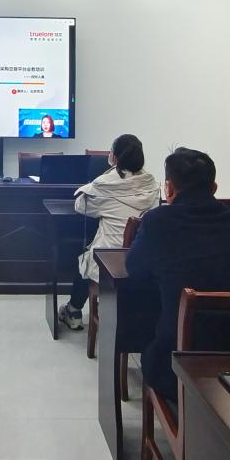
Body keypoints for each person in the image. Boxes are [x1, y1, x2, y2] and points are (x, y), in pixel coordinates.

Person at [125, 147, 230, 403]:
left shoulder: (157, 221)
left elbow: (135, 270)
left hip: (177, 366)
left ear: (169, 188)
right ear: (214, 188)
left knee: (150, 332)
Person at [58, 133, 160, 330]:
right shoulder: (151, 182)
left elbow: (81, 205)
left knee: (86, 257)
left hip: (110, 260)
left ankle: (73, 311)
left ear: (115, 156)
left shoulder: (106, 183)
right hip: (144, 259)